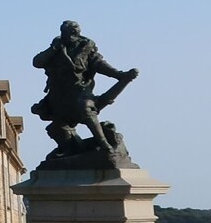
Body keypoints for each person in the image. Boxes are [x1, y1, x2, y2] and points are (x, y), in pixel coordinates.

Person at [31, 20, 138, 159]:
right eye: (66, 33)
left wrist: (119, 75)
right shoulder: (57, 46)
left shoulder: (86, 46)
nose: (70, 36)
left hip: (80, 88)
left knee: (85, 108)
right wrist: (53, 49)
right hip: (58, 93)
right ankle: (70, 150)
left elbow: (99, 64)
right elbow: (37, 62)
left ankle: (105, 145)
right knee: (56, 128)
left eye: (73, 33)